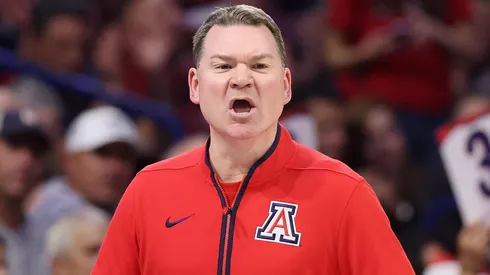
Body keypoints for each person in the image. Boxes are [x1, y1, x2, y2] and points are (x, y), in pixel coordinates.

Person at [92, 4, 414, 275]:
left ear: (286, 86)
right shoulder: (147, 191)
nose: (242, 79)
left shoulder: (343, 193)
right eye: (223, 66)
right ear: (195, 86)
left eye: (260, 65)